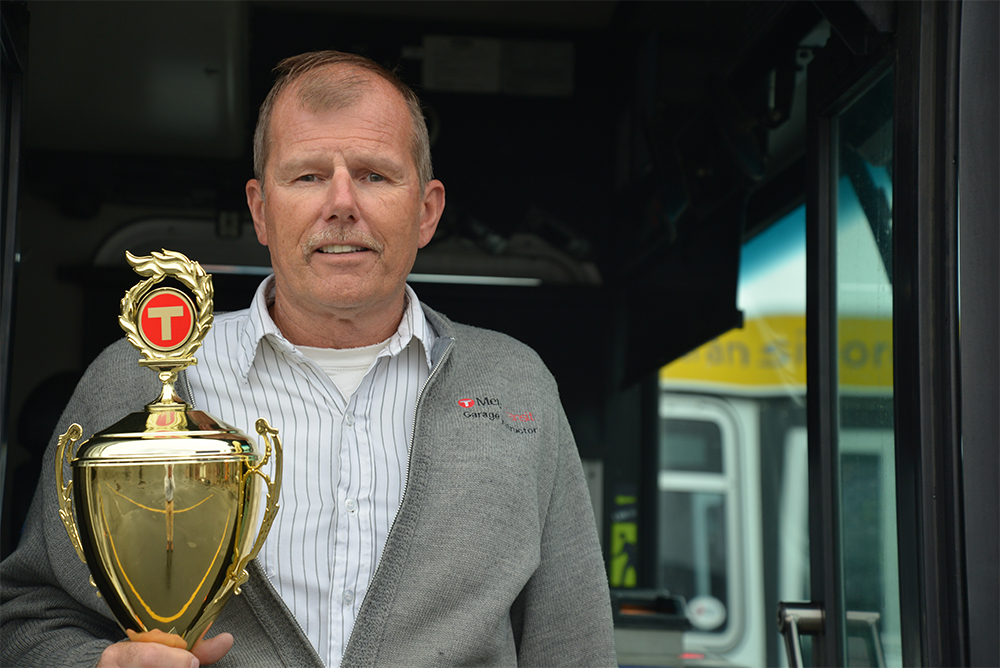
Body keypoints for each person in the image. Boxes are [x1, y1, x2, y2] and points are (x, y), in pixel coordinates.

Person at [0, 51, 616, 667]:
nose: (342, 203)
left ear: (426, 211)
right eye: (307, 177)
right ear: (261, 209)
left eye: (375, 175)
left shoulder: (515, 386)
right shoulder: (141, 374)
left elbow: (574, 644)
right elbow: (29, 617)